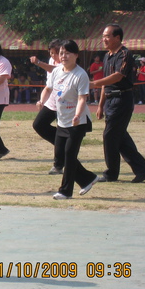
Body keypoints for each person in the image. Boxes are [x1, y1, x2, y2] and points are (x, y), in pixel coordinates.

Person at [91, 24, 145, 183]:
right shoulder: (107, 56)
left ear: (117, 37)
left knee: (110, 136)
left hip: (122, 99)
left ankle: (111, 174)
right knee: (119, 137)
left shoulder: (125, 54)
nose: (104, 39)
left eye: (107, 36)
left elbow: (118, 76)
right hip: (110, 100)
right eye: (103, 36)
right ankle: (143, 170)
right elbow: (106, 83)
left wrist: (93, 84)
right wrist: (100, 105)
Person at [39, 40, 98, 200]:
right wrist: (41, 101)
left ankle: (65, 191)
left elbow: (81, 99)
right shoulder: (57, 71)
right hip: (62, 121)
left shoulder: (80, 75)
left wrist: (78, 115)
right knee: (62, 156)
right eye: (61, 53)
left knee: (70, 156)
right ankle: (87, 178)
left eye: (67, 53)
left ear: (76, 55)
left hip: (77, 122)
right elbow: (48, 88)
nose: (63, 56)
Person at [31, 39, 64, 174]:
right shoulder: (51, 61)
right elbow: (49, 85)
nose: (53, 57)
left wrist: (39, 63)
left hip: (64, 103)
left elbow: (55, 70)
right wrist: (41, 100)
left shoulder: (65, 63)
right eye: (50, 54)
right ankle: (62, 142)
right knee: (38, 124)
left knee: (62, 132)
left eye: (54, 54)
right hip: (52, 101)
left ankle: (58, 165)